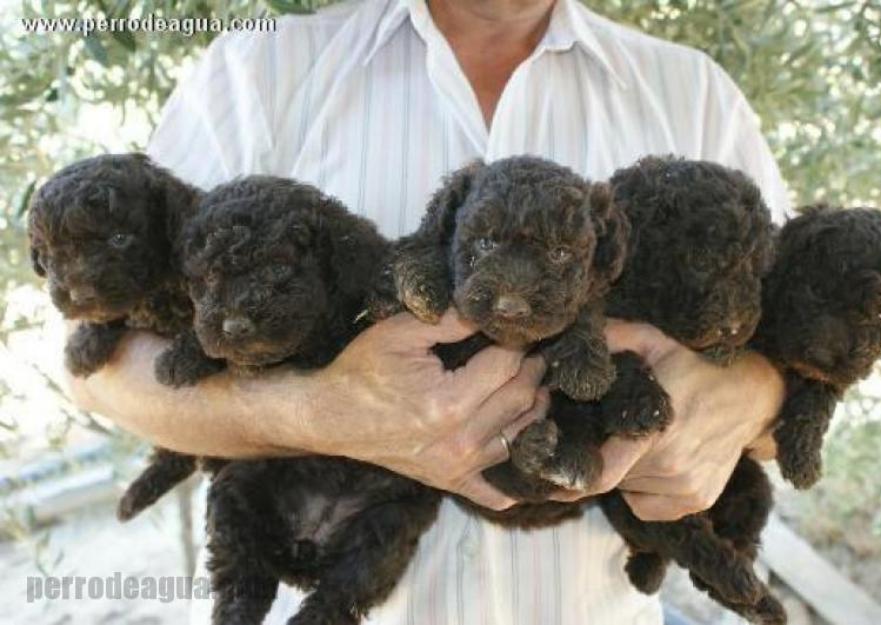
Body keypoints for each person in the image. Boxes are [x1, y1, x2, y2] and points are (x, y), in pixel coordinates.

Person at [67, 0, 790, 623]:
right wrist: (311, 411)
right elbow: (97, 366)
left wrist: (749, 396)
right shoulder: (259, 70)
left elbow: (804, 352)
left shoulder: (693, 94)